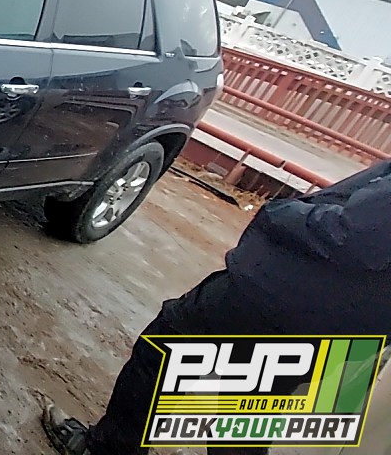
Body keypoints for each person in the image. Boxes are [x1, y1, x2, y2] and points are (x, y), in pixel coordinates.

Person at [43, 159, 391, 455]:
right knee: (251, 409)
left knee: (164, 351)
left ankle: (107, 449)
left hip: (284, 296)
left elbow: (355, 235)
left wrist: (284, 212)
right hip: (350, 327)